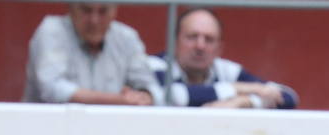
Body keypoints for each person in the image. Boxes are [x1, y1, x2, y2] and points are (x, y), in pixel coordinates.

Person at [149, 8, 299, 109]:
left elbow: (289, 96)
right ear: (174, 42)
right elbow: (173, 96)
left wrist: (243, 102)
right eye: (192, 37)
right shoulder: (154, 65)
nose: (200, 46)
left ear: (219, 49)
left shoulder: (225, 70)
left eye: (209, 39)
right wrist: (238, 88)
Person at [22, 3, 158, 105]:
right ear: (71, 9)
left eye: (103, 11)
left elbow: (151, 87)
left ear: (114, 11)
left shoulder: (127, 37)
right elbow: (52, 88)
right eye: (86, 10)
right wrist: (118, 100)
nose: (94, 20)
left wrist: (145, 97)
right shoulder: (52, 31)